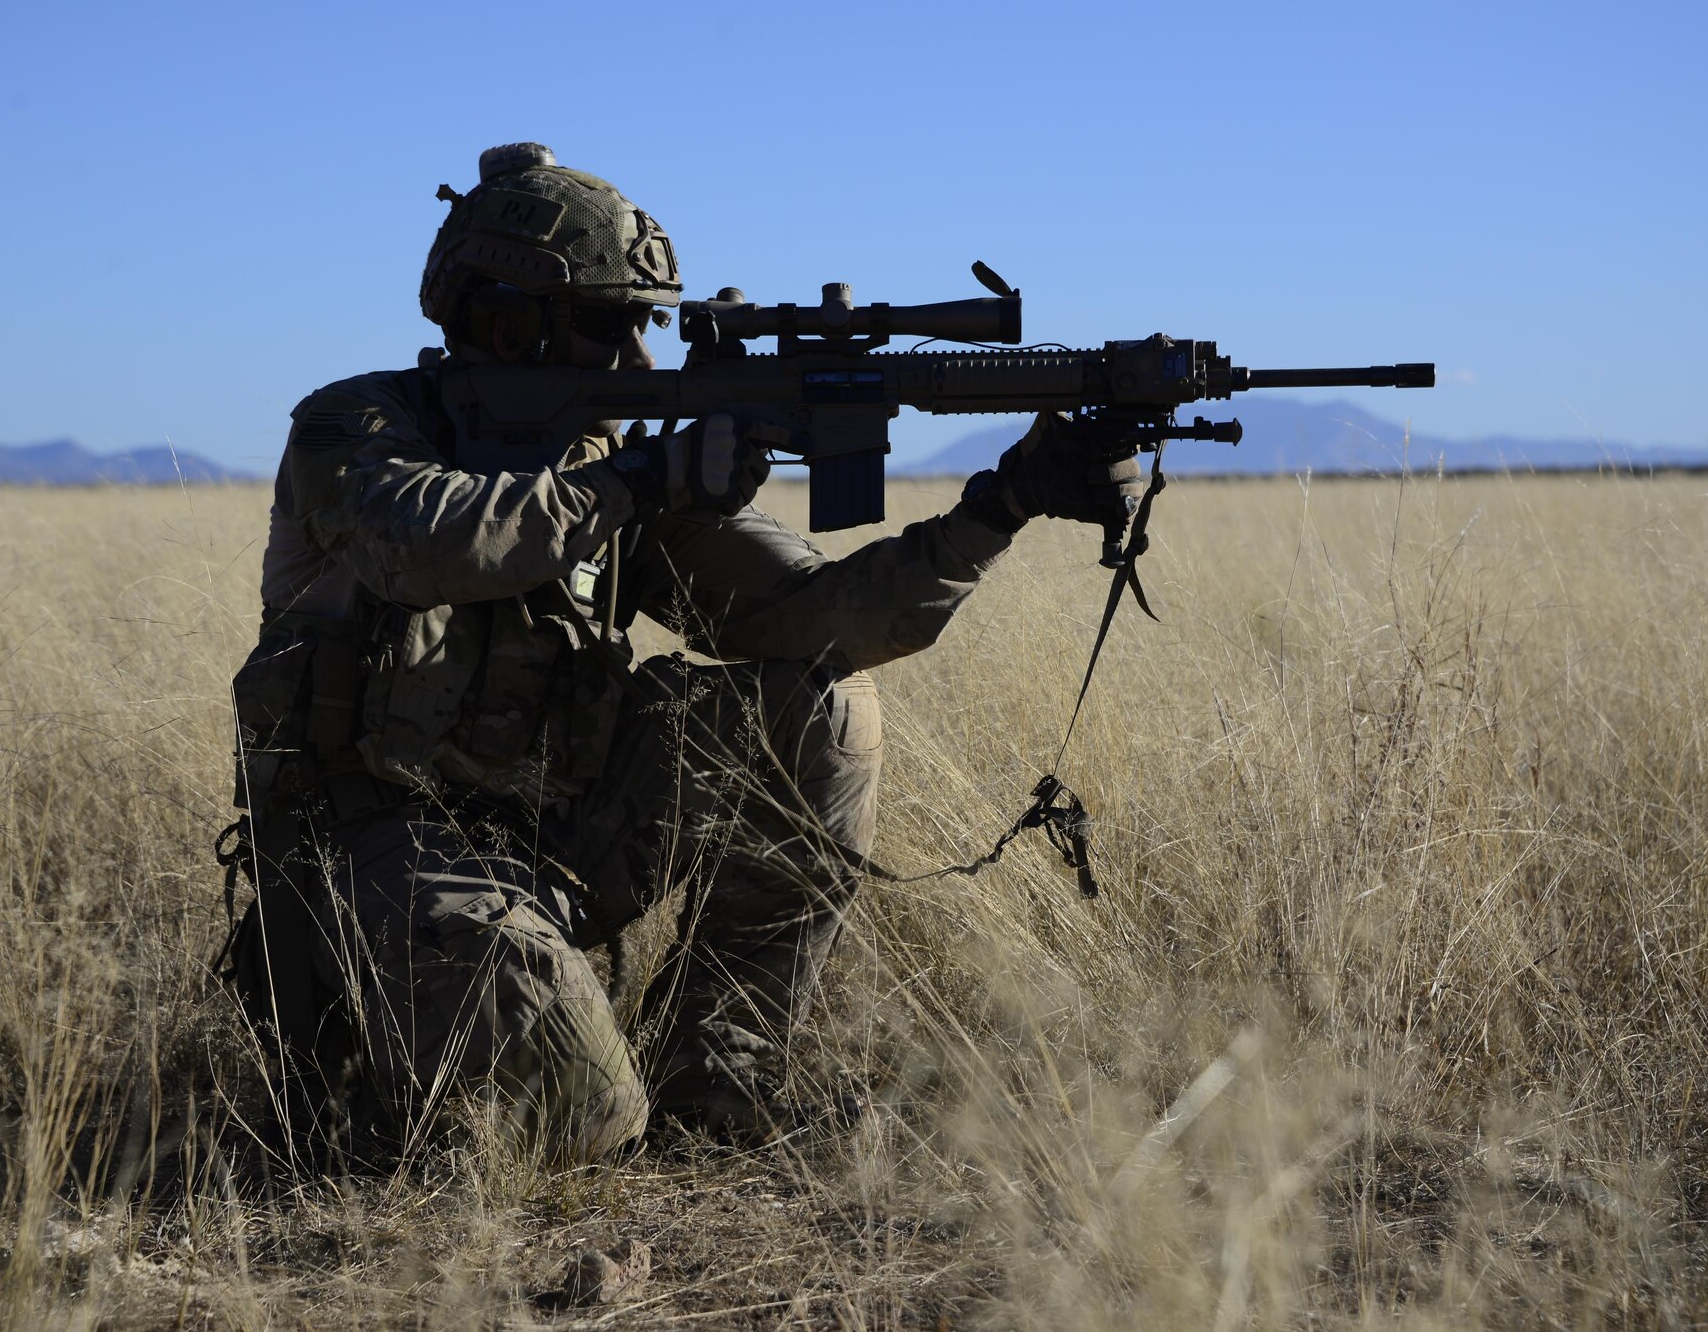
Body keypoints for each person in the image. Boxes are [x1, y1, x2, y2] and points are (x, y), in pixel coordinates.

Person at [224, 142, 1143, 1162]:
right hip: (369, 854)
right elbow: (429, 543)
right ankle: (393, 1082)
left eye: (647, 327)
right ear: (502, 320)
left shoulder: (609, 465)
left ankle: (720, 1081)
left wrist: (1004, 502)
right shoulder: (357, 424)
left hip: (552, 843)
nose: (640, 365)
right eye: (608, 327)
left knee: (823, 710)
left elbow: (815, 617)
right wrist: (638, 482)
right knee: (582, 1122)